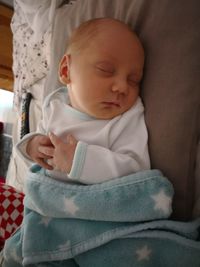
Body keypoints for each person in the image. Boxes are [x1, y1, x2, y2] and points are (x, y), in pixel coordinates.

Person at [16, 17, 150, 185]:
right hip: (48, 197)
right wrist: (33, 145)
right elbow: (41, 143)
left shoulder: (126, 118)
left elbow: (136, 172)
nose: (123, 87)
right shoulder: (55, 105)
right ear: (66, 70)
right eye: (105, 70)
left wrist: (80, 161)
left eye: (133, 80)